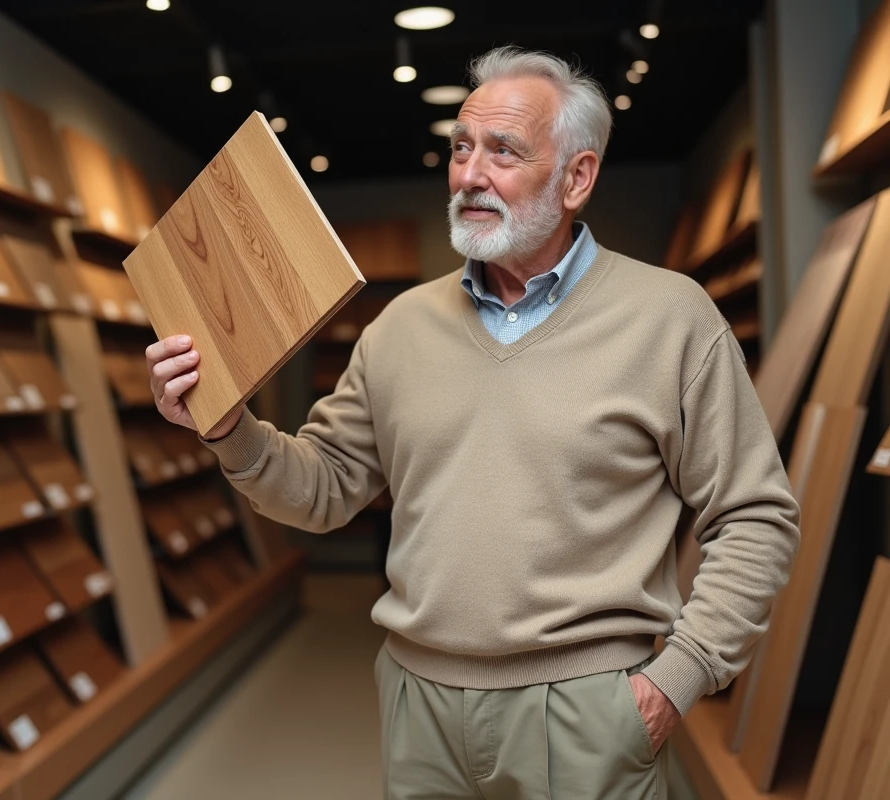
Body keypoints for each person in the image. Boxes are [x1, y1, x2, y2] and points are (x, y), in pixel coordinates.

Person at [145, 45, 799, 799]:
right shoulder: (399, 328)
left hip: (588, 710)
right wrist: (230, 427)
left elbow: (755, 516)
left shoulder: (671, 319)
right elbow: (321, 489)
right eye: (460, 148)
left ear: (576, 177)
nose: (469, 175)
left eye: (503, 151)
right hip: (418, 707)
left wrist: (673, 683)